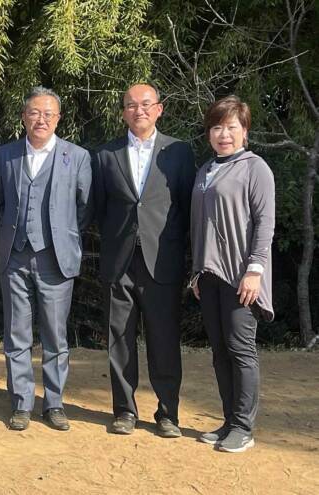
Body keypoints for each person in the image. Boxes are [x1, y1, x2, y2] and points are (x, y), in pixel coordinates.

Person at [93, 83, 195, 438]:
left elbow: (187, 207)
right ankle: (124, 411)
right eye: (131, 105)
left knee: (164, 339)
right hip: (118, 261)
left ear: (159, 109)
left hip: (162, 260)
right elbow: (99, 210)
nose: (139, 110)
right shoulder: (105, 154)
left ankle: (168, 414)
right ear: (123, 112)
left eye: (146, 104)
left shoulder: (179, 152)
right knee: (119, 339)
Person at [0, 87, 92, 431]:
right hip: (14, 255)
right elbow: (1, 202)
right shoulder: (5, 155)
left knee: (55, 335)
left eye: (48, 113)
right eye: (35, 112)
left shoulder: (77, 156)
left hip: (56, 258)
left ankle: (53, 403)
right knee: (16, 334)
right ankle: (21, 402)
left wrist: (61, 236)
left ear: (58, 118)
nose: (41, 119)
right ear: (24, 116)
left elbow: (84, 207)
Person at [190, 96, 274, 453]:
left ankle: (243, 427)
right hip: (209, 276)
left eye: (231, 127)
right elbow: (200, 225)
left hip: (242, 276)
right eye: (217, 127)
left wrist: (255, 270)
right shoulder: (205, 170)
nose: (224, 134)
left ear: (245, 132)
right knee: (220, 351)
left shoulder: (255, 168)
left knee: (241, 350)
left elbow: (265, 223)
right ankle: (229, 421)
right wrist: (196, 272)